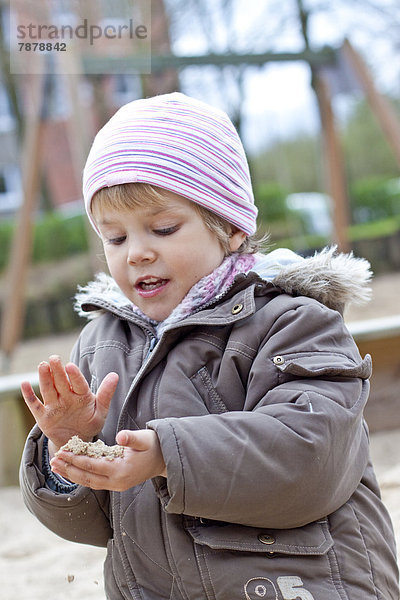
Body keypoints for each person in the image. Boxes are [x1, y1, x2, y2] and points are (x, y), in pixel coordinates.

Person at [20, 93, 399, 600]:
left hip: (296, 585)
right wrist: (68, 453)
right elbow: (98, 526)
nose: (138, 253)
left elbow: (312, 459)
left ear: (230, 226)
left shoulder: (291, 322)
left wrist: (165, 456)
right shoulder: (103, 345)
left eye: (163, 228)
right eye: (114, 238)